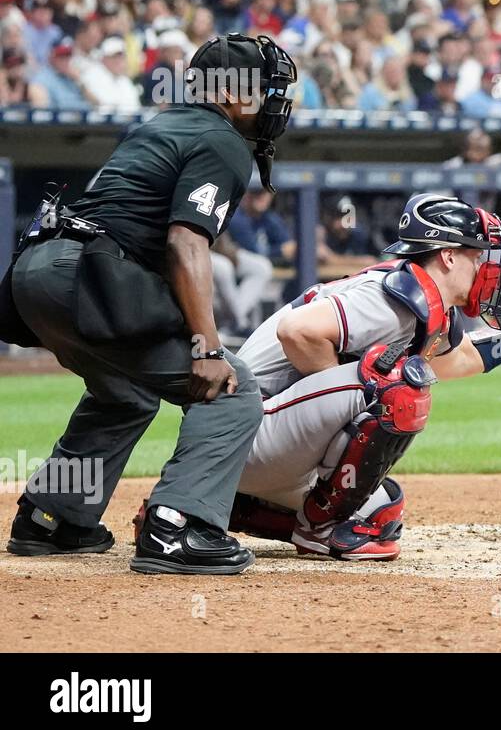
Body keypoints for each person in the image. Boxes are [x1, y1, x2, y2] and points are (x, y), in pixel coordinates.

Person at [191, 195, 501, 560]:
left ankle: (226, 507)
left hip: (255, 444)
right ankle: (318, 530)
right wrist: (348, 399)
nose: (486, 266)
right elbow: (298, 332)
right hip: (247, 433)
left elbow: (457, 359)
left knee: (380, 511)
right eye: (476, 255)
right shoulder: (390, 298)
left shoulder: (423, 304)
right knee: (399, 388)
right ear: (447, 256)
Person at [1, 32, 298, 575]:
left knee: (125, 393)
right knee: (232, 389)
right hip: (88, 275)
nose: (275, 102)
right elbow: (185, 243)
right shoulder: (223, 140)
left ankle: (52, 518)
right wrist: (207, 344)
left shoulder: (161, 123)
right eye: (265, 89)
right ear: (232, 93)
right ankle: (175, 528)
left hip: (37, 273)